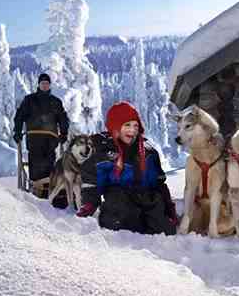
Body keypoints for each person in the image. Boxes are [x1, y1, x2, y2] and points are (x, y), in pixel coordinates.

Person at [76, 101, 177, 236]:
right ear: (115, 126)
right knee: (119, 213)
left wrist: (169, 208)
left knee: (166, 230)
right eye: (127, 125)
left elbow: (159, 183)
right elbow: (91, 182)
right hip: (119, 202)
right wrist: (89, 204)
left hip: (146, 199)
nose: (132, 130)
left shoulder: (148, 151)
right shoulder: (103, 150)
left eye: (135, 125)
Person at [13, 73, 69, 198]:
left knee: (49, 162)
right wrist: (17, 131)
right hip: (34, 136)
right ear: (38, 84)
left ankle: (48, 189)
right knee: (36, 161)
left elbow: (63, 118)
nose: (45, 85)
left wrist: (64, 133)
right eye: (43, 83)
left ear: (50, 85)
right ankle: (36, 188)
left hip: (50, 137)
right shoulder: (29, 100)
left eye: (47, 83)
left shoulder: (55, 102)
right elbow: (20, 116)